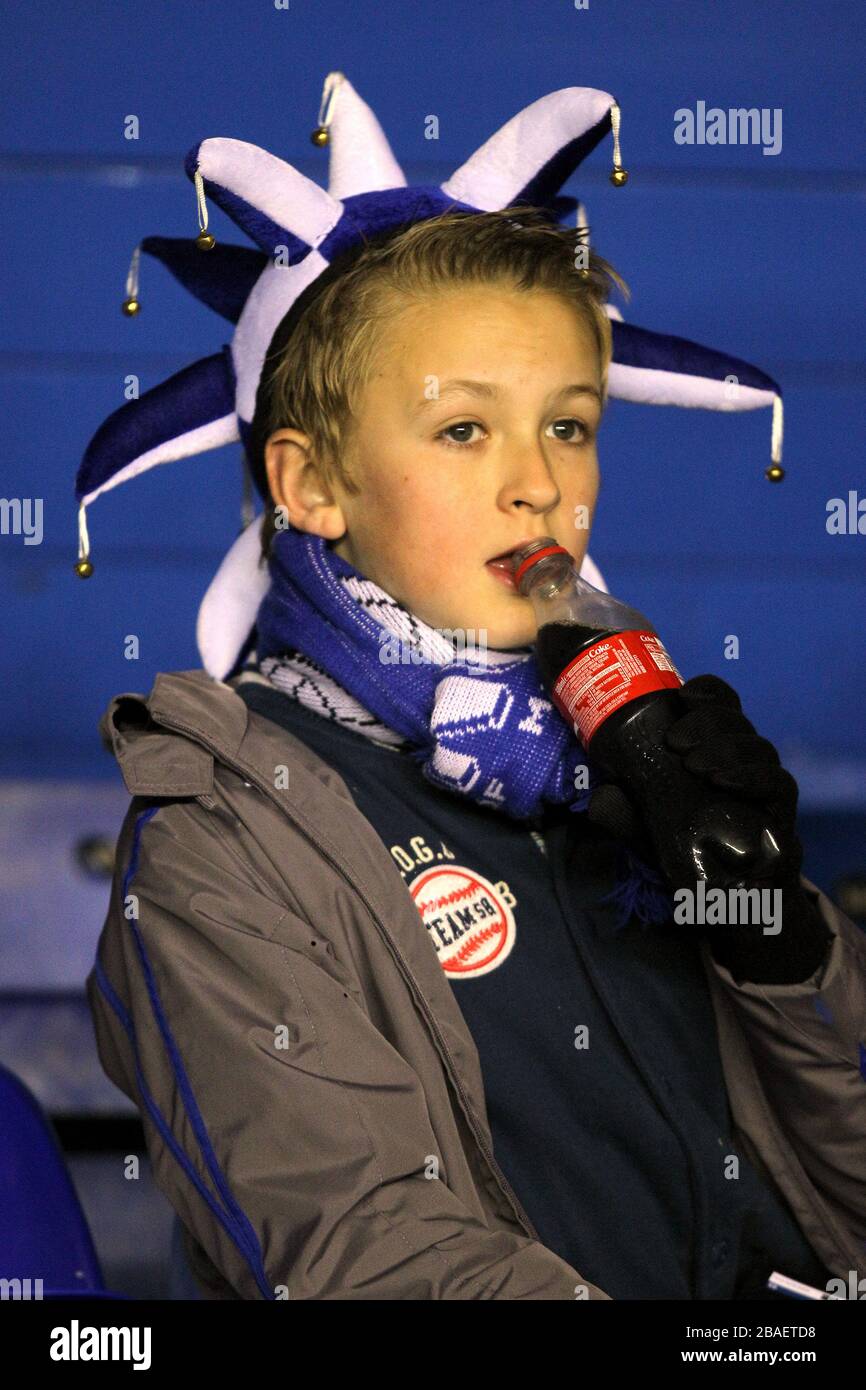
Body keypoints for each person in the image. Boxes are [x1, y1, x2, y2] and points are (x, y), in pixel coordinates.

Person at [80, 77, 866, 1301]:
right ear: (309, 485)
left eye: (567, 425)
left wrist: (783, 945)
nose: (538, 486)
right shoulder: (220, 845)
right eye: (461, 431)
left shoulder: (634, 750)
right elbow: (365, 1263)